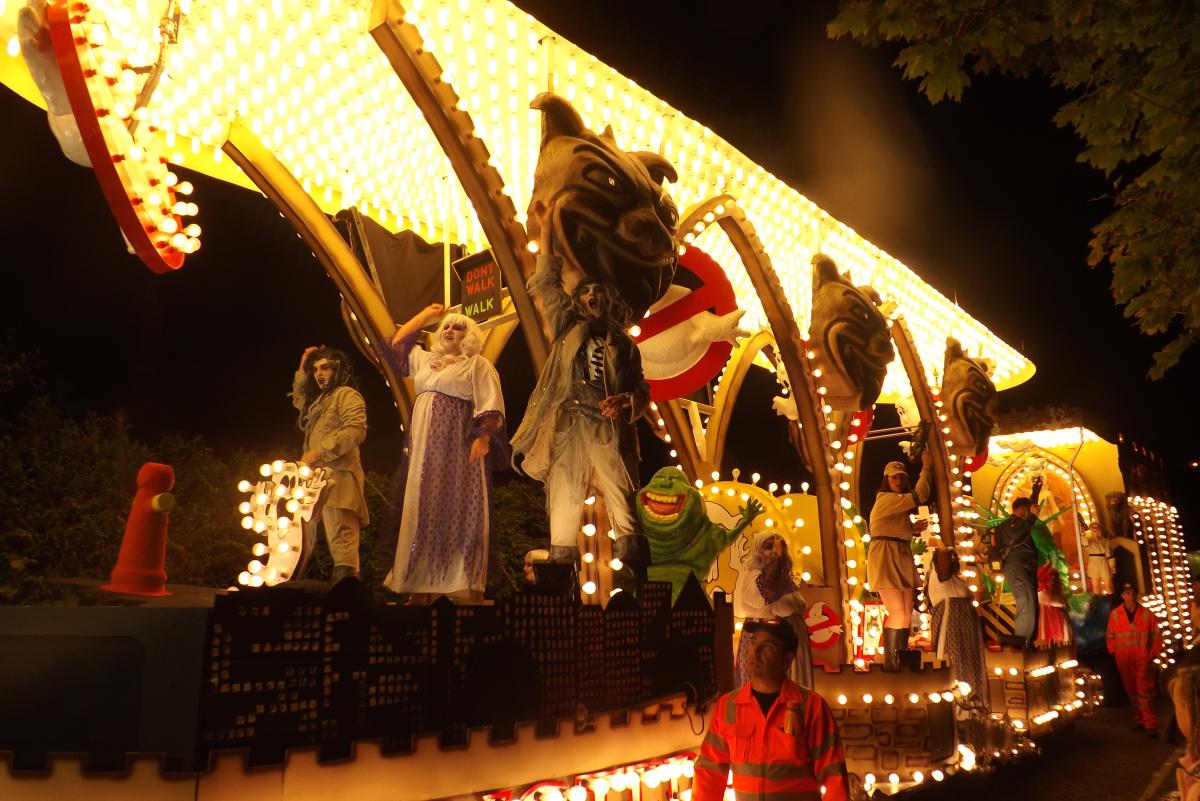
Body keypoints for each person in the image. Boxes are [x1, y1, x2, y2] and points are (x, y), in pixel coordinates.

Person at [510, 202, 651, 592]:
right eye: (586, 291)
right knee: (563, 500)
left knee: (623, 499)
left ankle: (639, 586)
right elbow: (546, 282)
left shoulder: (623, 345)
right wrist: (546, 227)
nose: (591, 295)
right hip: (569, 423)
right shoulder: (565, 328)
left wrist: (626, 401)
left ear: (608, 299)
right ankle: (559, 591)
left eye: (597, 291)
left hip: (606, 427)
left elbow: (641, 387)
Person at [384, 304, 506, 602]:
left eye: (458, 327)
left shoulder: (477, 365)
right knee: (423, 504)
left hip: (457, 445)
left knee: (460, 506)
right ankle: (420, 583)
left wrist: (484, 436)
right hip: (425, 450)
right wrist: (425, 316)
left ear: (469, 336)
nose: (450, 331)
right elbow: (396, 346)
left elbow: (489, 401)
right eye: (447, 327)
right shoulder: (426, 361)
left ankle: (461, 583)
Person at [693, 619, 848, 801]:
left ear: (787, 659)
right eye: (753, 641)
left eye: (767, 646)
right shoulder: (729, 706)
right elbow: (709, 774)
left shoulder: (811, 707)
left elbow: (833, 777)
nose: (755, 651)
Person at [292, 346, 369, 583]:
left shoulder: (347, 395)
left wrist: (318, 452)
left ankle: (347, 596)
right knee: (302, 540)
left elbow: (356, 430)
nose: (318, 373)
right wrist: (303, 365)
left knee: (342, 537)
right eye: (315, 369)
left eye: (324, 367)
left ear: (339, 369)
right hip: (315, 479)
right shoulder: (319, 401)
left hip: (340, 476)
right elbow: (299, 398)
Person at [867, 451, 932, 671]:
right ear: (886, 479)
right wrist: (927, 467)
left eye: (902, 477)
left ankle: (900, 660)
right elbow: (921, 493)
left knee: (905, 611)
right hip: (886, 556)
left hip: (899, 553)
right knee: (897, 611)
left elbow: (891, 527)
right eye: (894, 477)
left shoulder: (896, 504)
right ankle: (892, 663)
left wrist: (911, 530)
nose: (899, 481)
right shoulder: (886, 499)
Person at [734, 532, 814, 689]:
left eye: (778, 547)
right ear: (758, 550)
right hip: (768, 638)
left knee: (794, 689)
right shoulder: (754, 575)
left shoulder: (785, 579)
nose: (773, 551)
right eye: (768, 547)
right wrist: (777, 558)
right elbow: (765, 591)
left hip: (791, 636)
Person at [921, 540, 991, 711]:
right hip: (953, 620)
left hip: (963, 623)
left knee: (966, 659)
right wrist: (943, 546)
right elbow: (943, 558)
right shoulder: (940, 576)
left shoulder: (951, 579)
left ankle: (972, 701)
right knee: (954, 658)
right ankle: (958, 705)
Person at [1107, 582, 1162, 736]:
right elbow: (1110, 636)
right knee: (1132, 692)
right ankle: (1140, 720)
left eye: (1132, 593)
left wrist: (1152, 654)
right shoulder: (1115, 614)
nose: (1130, 596)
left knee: (1145, 692)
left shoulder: (1147, 614)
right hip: (1124, 660)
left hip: (1143, 658)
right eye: (1127, 593)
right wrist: (1115, 653)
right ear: (1122, 596)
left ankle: (1151, 724)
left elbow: (1157, 636)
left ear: (1136, 594)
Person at [991, 496, 1042, 649]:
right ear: (1022, 509)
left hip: (1023, 566)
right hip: (1017, 566)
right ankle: (1021, 641)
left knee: (1030, 602)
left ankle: (1026, 640)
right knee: (1025, 601)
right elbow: (1017, 534)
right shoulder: (1010, 524)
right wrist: (1032, 517)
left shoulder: (1016, 524)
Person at [1085, 522, 1116, 595]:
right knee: (1095, 587)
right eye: (1093, 527)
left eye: (1096, 527)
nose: (1095, 529)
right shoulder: (1088, 541)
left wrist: (1112, 566)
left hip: (1103, 562)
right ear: (1090, 529)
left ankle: (1111, 601)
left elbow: (1109, 554)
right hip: (1093, 563)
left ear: (1099, 529)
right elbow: (1084, 543)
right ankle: (1098, 603)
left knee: (1108, 586)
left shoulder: (1105, 541)